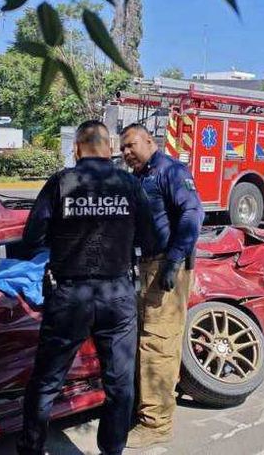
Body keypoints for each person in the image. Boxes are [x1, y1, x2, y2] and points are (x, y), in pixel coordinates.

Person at [17, 120, 155, 455]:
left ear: (76, 149)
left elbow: (31, 239)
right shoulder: (129, 184)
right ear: (109, 149)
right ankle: (112, 450)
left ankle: (31, 448)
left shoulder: (61, 183)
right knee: (120, 384)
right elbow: (152, 239)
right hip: (117, 295)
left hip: (70, 295)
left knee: (47, 381)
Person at [120, 124, 205, 448]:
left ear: (149, 141)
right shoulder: (138, 178)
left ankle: (156, 424)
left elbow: (192, 214)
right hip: (144, 267)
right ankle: (145, 409)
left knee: (158, 343)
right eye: (122, 149)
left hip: (166, 266)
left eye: (131, 145)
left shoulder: (171, 171)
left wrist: (173, 261)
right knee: (143, 341)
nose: (127, 153)